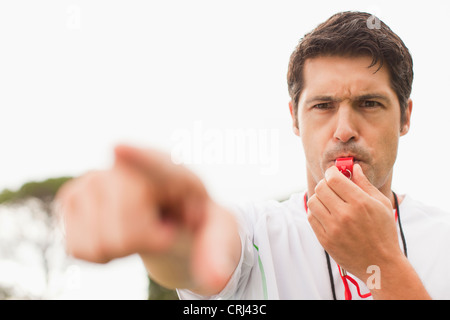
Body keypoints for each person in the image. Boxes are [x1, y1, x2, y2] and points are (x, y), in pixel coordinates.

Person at [56, 11, 450, 300]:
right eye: (323, 105)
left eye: (369, 103)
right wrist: (173, 228)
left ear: (405, 117)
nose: (344, 129)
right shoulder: (258, 231)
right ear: (294, 118)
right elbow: (205, 249)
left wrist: (381, 263)